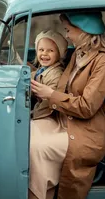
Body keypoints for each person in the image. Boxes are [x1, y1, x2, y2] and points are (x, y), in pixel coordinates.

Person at [30, 12, 105, 199]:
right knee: (28, 133)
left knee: (39, 147)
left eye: (68, 30)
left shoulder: (101, 63)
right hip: (66, 118)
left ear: (83, 31)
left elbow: (87, 106)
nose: (66, 35)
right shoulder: (79, 54)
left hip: (87, 130)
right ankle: (41, 192)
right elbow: (61, 85)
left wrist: (50, 94)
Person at [29, 30, 68, 199]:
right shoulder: (42, 69)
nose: (44, 54)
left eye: (50, 51)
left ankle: (37, 189)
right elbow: (34, 74)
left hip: (49, 116)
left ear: (59, 54)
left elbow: (49, 104)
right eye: (41, 50)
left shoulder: (55, 74)